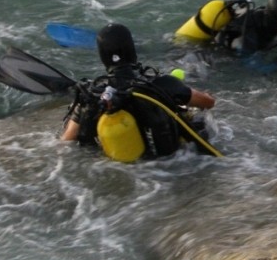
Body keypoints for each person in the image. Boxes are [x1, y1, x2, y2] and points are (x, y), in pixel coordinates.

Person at [61, 23, 216, 161]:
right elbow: (208, 103)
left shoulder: (92, 95)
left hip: (118, 167)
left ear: (103, 57)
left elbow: (67, 140)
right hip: (169, 168)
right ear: (131, 50)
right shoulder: (160, 84)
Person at [176, 0, 277, 71]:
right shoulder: (247, 35)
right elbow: (256, 69)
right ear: (276, 18)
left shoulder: (275, 22)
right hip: (204, 55)